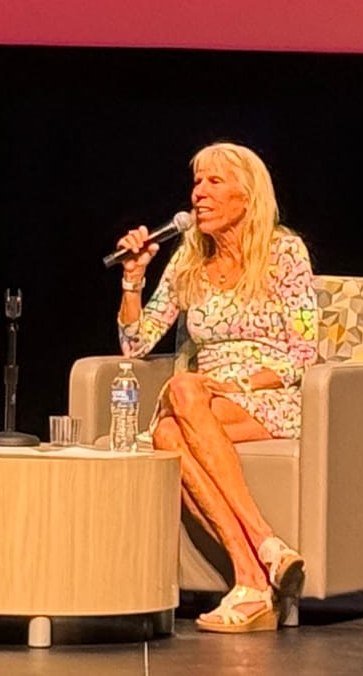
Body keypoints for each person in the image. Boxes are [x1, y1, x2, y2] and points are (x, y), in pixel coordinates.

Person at [115, 143, 319, 634]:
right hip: (205, 401)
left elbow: (303, 353)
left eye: (214, 182)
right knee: (167, 432)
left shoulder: (284, 253)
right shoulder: (188, 258)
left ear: (248, 196)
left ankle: (257, 557)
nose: (198, 194)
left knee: (182, 398)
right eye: (197, 183)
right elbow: (135, 343)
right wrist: (132, 279)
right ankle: (256, 568)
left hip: (270, 395)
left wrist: (234, 383)